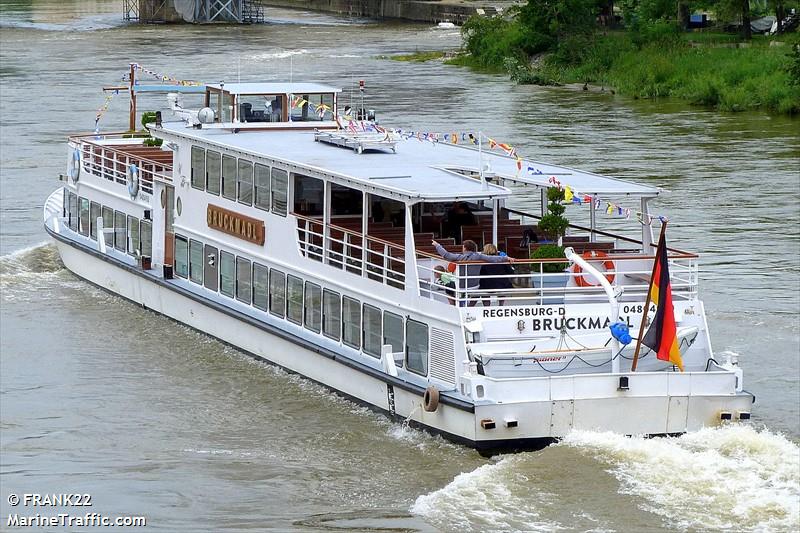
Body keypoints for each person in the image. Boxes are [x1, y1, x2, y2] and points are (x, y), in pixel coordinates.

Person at [431, 239, 513, 306]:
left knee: (448, 287)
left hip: (462, 287)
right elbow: (494, 259)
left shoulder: (460, 257)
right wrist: (506, 258)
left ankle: (454, 307)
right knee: (478, 290)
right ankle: (468, 306)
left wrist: (437, 245)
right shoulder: (479, 256)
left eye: (463, 247)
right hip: (475, 286)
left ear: (465, 248)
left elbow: (446, 255)